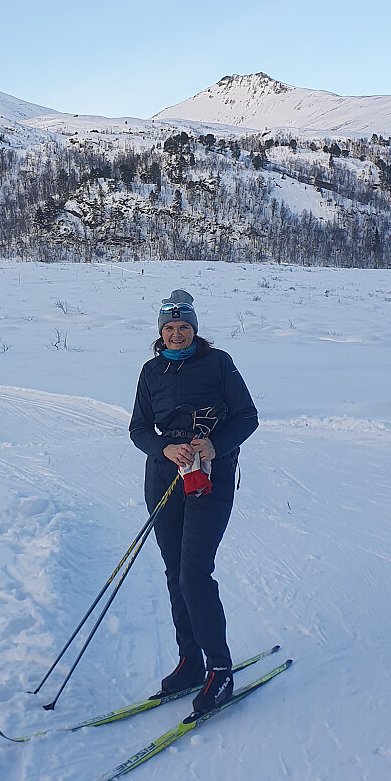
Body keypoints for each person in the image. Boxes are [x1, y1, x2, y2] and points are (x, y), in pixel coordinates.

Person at [129, 289, 259, 713]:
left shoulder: (218, 363)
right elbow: (138, 430)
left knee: (194, 573)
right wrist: (164, 449)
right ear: (161, 333)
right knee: (174, 572)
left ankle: (220, 672)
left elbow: (247, 416)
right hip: (164, 478)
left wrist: (215, 446)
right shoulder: (151, 371)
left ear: (195, 329)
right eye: (169, 327)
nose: (177, 333)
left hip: (209, 477)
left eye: (184, 326)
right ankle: (190, 661)